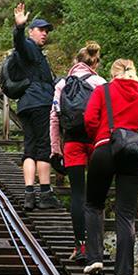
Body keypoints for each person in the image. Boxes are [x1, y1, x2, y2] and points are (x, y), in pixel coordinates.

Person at [82, 59, 138, 275]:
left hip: (104, 149)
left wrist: (97, 136)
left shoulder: (102, 91)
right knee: (126, 214)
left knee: (94, 204)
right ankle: (124, 274)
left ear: (113, 73)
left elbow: (89, 119)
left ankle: (95, 259)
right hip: (131, 156)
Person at [50, 42, 106, 261]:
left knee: (77, 194)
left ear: (75, 62)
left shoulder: (63, 83)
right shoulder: (100, 83)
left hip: (72, 143)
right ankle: (96, 249)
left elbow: (54, 117)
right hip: (96, 143)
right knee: (96, 196)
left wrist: (56, 149)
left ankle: (80, 247)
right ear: (95, 63)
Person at [13, 2, 60, 211]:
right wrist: (19, 27)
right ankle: (45, 194)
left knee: (30, 148)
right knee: (44, 147)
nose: (45, 34)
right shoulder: (30, 47)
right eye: (41, 30)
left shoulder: (36, 53)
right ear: (31, 31)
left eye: (46, 31)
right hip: (40, 104)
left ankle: (29, 194)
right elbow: (19, 44)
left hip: (25, 104)